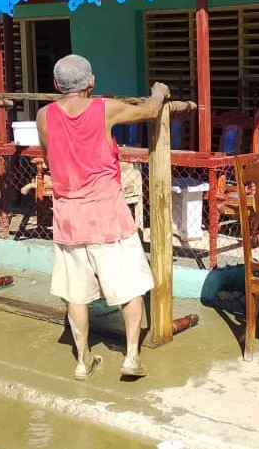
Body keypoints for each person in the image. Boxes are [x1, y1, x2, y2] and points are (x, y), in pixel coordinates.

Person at [36, 54, 169, 380]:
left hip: (68, 218)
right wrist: (159, 91)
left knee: (76, 295)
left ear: (56, 85)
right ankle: (131, 357)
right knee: (130, 288)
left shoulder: (44, 115)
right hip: (108, 216)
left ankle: (82, 362)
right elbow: (150, 112)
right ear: (91, 83)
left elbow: (47, 155)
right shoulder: (103, 107)